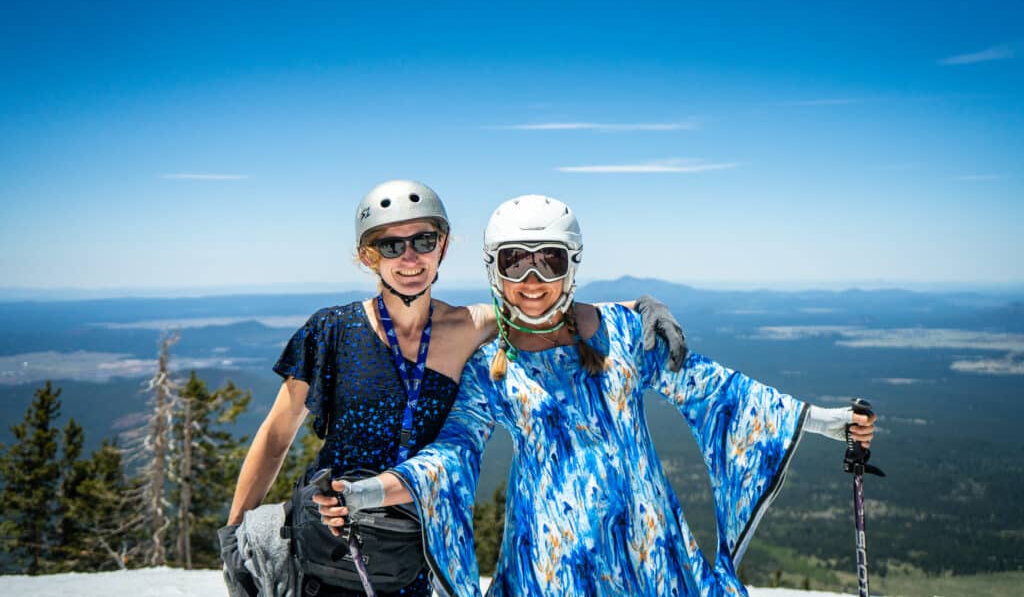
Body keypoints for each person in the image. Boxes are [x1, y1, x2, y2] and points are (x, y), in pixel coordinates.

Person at [317, 194, 877, 597]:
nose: (532, 278)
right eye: (516, 260)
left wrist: (826, 422)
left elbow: (716, 390)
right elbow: (450, 457)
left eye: (549, 260)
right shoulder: (489, 366)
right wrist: (366, 493)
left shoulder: (626, 331)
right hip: (550, 562)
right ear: (495, 269)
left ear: (572, 265)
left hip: (650, 548)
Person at [219, 182, 686, 597]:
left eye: (424, 240)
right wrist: (236, 528)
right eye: (391, 244)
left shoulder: (471, 326)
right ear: (368, 256)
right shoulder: (331, 331)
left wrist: (637, 306)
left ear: (442, 246)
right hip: (329, 538)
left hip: (421, 548)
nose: (410, 257)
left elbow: (542, 304)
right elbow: (278, 435)